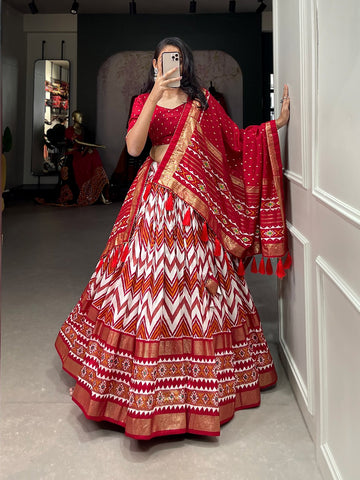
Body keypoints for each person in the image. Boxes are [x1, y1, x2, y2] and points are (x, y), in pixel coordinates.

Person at [55, 37, 290, 439]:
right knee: (143, 287)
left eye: (176, 58)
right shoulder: (143, 100)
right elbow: (133, 147)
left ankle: (203, 383)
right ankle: (135, 382)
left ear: (186, 62)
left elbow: (235, 143)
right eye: (164, 58)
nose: (170, 63)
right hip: (152, 201)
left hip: (195, 208)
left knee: (198, 289)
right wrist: (155, 95)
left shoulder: (202, 104)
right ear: (153, 63)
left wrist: (275, 127)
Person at [57, 110, 111, 205]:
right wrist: (98, 146)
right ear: (74, 118)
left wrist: (90, 148)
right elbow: (78, 143)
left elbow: (85, 143)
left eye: (82, 117)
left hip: (82, 151)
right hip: (73, 153)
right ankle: (93, 192)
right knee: (91, 155)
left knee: (94, 154)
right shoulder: (70, 130)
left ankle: (99, 188)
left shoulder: (84, 130)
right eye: (79, 116)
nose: (81, 119)